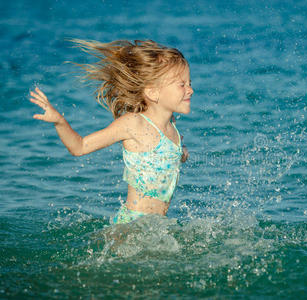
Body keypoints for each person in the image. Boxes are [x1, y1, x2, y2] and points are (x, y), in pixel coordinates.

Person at [29, 39, 193, 224]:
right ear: (153, 92)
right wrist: (59, 121)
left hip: (156, 226)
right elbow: (80, 147)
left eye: (189, 83)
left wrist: (182, 153)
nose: (190, 90)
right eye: (182, 84)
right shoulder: (133, 124)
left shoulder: (172, 128)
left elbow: (167, 156)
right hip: (130, 225)